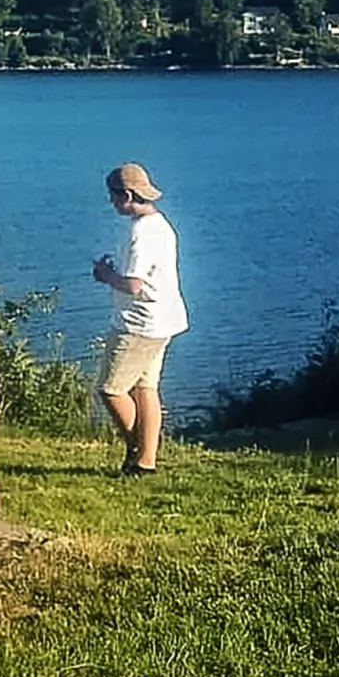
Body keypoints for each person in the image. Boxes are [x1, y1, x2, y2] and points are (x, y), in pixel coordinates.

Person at [92, 161, 188, 477]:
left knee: (111, 389)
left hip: (139, 322)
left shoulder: (141, 233)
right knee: (145, 388)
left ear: (128, 194)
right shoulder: (161, 225)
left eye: (113, 196)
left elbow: (133, 284)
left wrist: (106, 275)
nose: (112, 202)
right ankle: (145, 462)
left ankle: (137, 449)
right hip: (164, 318)